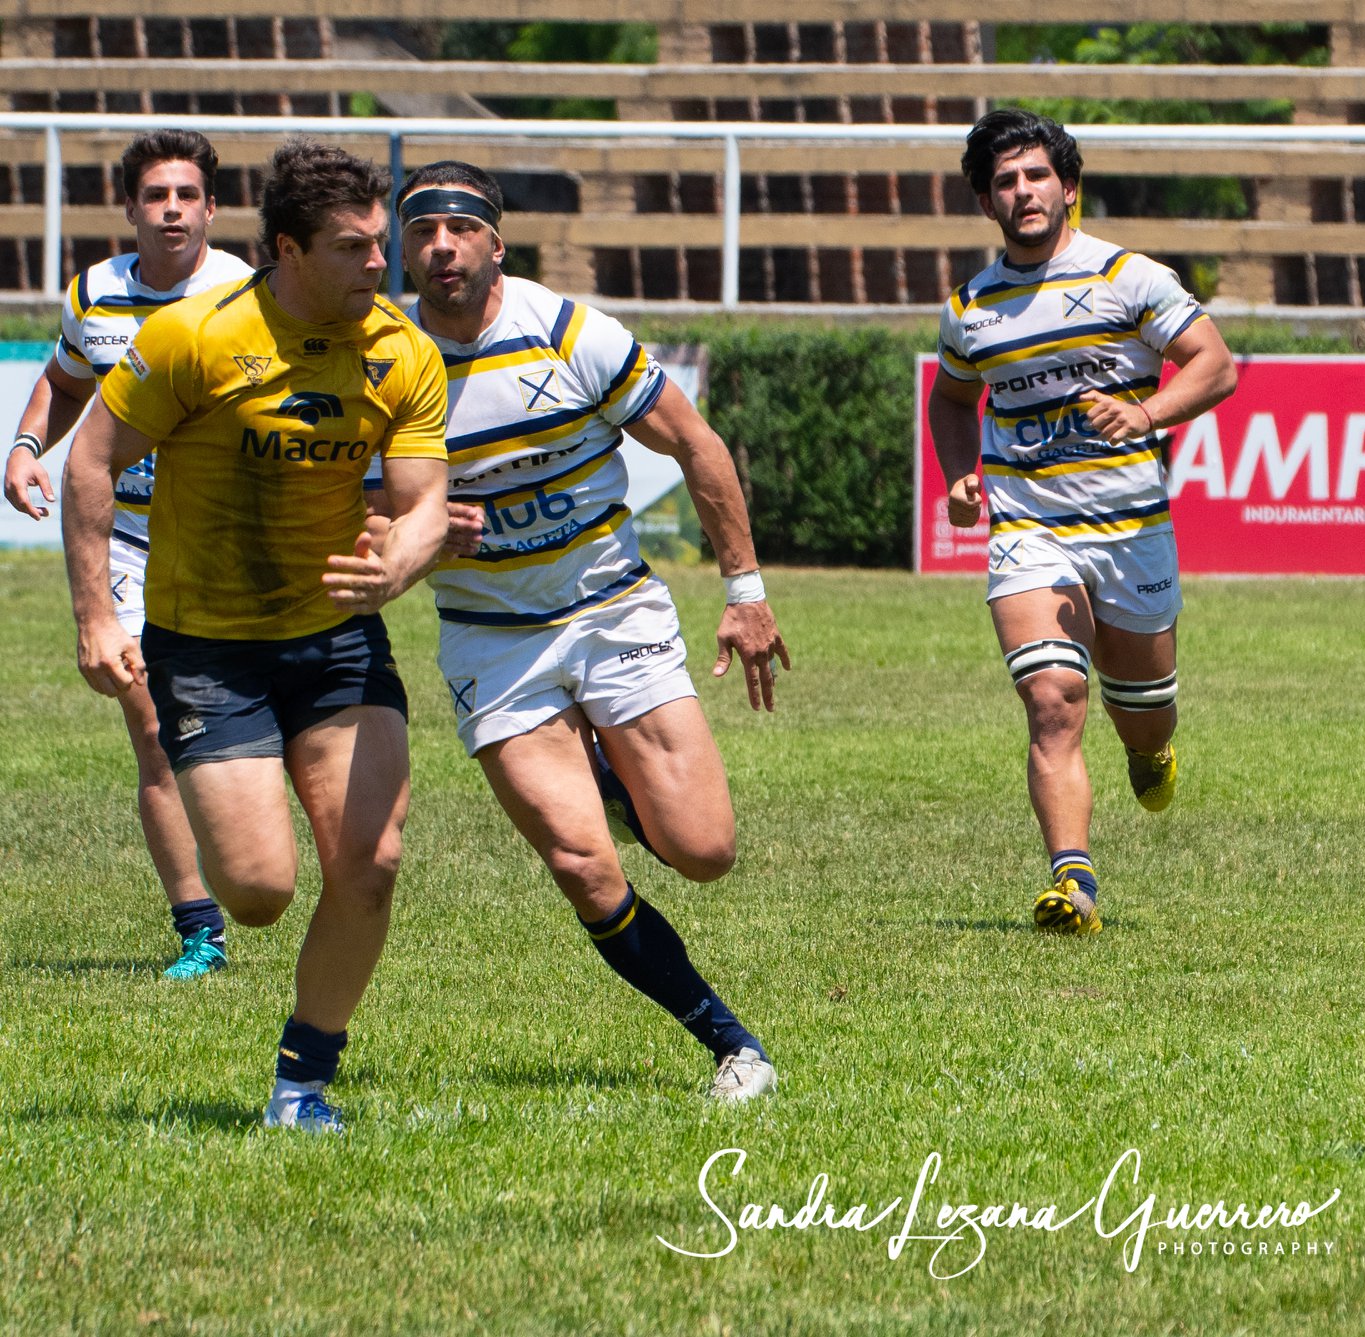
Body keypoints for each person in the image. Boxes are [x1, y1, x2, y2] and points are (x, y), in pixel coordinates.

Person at [62, 139, 449, 1132]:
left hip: (336, 637)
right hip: (207, 645)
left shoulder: (400, 350)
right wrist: (97, 611)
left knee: (370, 861)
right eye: (354, 247)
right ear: (286, 247)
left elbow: (424, 503)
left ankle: (301, 1081)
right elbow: (90, 464)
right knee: (262, 890)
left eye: (380, 243)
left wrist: (400, 559)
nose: (380, 263)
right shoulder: (195, 338)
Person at [391, 160, 786, 1101]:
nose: (440, 247)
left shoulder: (569, 332)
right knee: (581, 862)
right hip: (493, 638)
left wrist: (746, 588)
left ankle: (608, 770)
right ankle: (733, 1045)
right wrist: (417, 533)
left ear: (497, 240)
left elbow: (696, 443)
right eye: (420, 232)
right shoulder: (384, 359)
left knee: (704, 852)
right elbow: (355, 515)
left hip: (613, 612)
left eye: (459, 228)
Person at [927, 110, 1237, 935]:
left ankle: (1148, 749)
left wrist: (1149, 414)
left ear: (1068, 187)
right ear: (986, 203)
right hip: (1029, 531)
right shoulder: (971, 308)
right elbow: (953, 396)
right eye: (1004, 182)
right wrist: (960, 473)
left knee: (1144, 714)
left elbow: (1216, 365)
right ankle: (1075, 883)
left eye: (1035, 176)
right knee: (1053, 698)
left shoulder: (1130, 279)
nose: (1022, 192)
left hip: (1131, 531)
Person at [5, 130, 254, 979]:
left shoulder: (249, 296)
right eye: (157, 195)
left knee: (263, 729)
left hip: (233, 543)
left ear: (212, 209)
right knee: (152, 726)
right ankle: (201, 930)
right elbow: (67, 379)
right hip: (132, 542)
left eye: (188, 194)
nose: (173, 208)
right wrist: (28, 443)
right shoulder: (95, 294)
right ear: (132, 209)